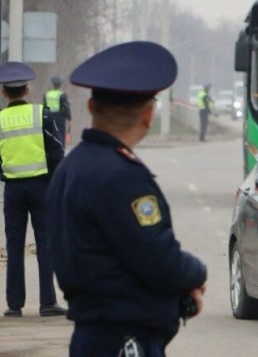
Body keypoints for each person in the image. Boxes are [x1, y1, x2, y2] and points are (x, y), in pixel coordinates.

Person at [45, 41, 208, 356]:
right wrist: (196, 273)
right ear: (149, 115)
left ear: (91, 108)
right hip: (123, 341)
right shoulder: (121, 176)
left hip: (94, 336)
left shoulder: (70, 167)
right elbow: (159, 258)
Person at [0, 61, 67, 318]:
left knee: (14, 246)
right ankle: (47, 302)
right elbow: (56, 150)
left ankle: (14, 305)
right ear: (27, 90)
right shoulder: (41, 114)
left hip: (13, 191)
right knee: (45, 244)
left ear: (3, 92)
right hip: (41, 188)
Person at [43, 76, 72, 148]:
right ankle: (60, 148)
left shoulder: (47, 94)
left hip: (49, 115)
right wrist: (69, 118)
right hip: (59, 117)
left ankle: (50, 148)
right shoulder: (62, 94)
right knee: (60, 134)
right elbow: (65, 107)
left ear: (53, 84)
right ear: (60, 85)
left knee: (50, 133)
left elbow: (44, 105)